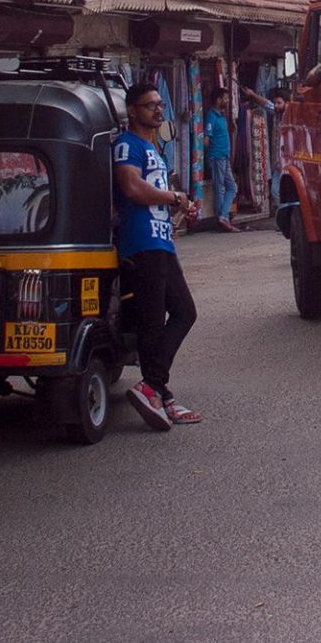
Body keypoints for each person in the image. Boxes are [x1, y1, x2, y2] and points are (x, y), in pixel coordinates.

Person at [112, 80, 200, 430]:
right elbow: (132, 187)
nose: (159, 110)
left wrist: (179, 207)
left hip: (161, 241)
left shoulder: (154, 149)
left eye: (160, 104)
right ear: (133, 111)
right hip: (142, 241)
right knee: (153, 320)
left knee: (183, 312)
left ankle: (156, 389)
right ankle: (155, 390)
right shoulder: (127, 145)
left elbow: (155, 196)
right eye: (150, 105)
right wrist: (173, 197)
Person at [200, 93, 239, 231]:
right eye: (225, 98)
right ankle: (223, 219)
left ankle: (223, 216)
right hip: (217, 157)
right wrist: (208, 156)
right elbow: (206, 140)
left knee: (232, 187)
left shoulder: (222, 116)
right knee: (220, 188)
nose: (228, 101)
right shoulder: (211, 116)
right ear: (218, 99)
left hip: (224, 157)